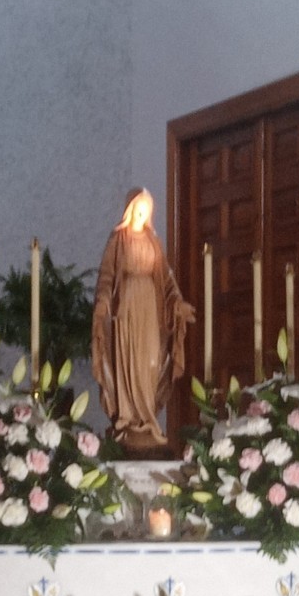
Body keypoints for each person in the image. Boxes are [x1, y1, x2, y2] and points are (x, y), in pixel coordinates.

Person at [92, 188, 195, 453]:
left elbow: (166, 279)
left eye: (146, 209)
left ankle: (147, 417)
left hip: (150, 308)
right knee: (129, 359)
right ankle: (127, 418)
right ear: (130, 209)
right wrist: (102, 302)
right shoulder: (118, 239)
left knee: (150, 360)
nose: (142, 213)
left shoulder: (153, 240)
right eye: (138, 208)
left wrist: (178, 303)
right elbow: (106, 275)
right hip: (126, 307)